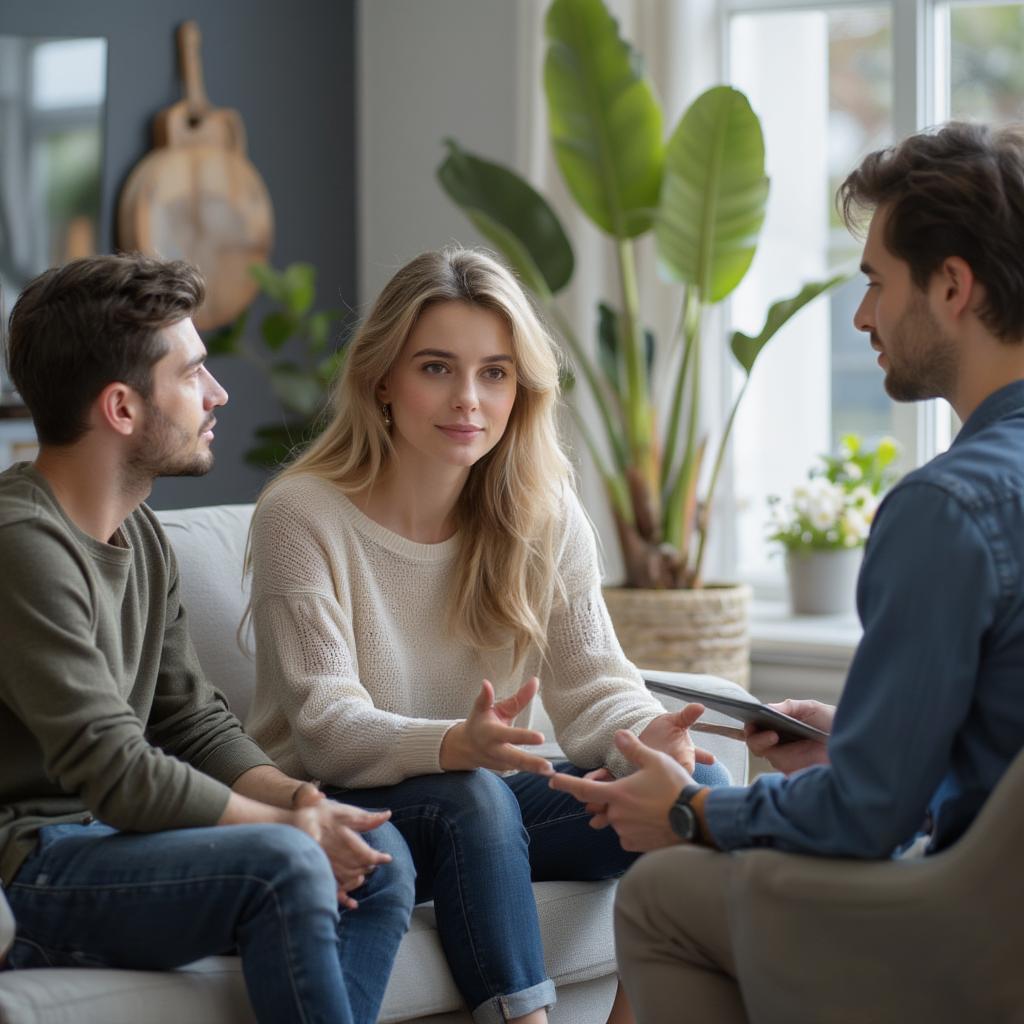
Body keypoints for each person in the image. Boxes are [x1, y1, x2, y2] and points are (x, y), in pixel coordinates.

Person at [549, 120, 1024, 1021]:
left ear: (953, 286)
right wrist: (855, 741)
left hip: (977, 932)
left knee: (662, 895)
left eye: (877, 283)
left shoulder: (949, 508)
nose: (862, 317)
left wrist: (690, 810)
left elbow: (866, 821)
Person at [245, 247, 731, 1024]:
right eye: (436, 368)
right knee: (474, 795)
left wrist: (648, 739)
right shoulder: (302, 515)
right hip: (342, 804)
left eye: (495, 373)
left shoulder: (544, 510)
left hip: (487, 809)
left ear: (521, 389)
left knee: (699, 799)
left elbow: (595, 680)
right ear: (382, 381)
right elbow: (328, 728)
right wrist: (454, 744)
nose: (468, 399)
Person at [0, 254, 415, 1023]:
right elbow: (114, 769)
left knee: (381, 867)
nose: (218, 394)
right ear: (122, 408)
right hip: (35, 866)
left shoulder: (142, 537)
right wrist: (294, 828)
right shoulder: (22, 543)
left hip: (111, 840)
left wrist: (305, 801)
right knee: (288, 864)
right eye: (192, 374)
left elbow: (190, 720)